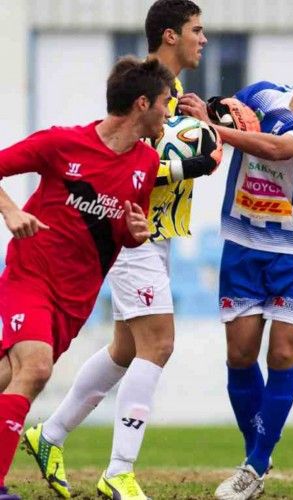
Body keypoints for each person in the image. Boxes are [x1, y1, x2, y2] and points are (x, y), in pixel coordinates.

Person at [22, 2, 220, 500]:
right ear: (170, 35)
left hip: (157, 233)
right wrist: (188, 165)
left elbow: (175, 153)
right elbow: (117, 162)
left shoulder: (178, 99)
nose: (205, 39)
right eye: (198, 30)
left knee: (126, 349)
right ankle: (119, 470)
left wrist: (211, 127)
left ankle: (48, 436)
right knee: (160, 345)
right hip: (131, 232)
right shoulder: (145, 90)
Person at [179, 37, 293, 499]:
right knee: (240, 356)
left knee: (281, 355)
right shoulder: (261, 94)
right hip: (242, 243)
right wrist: (203, 113)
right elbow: (224, 117)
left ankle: (255, 465)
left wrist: (216, 128)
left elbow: (275, 148)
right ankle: (255, 454)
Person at [0, 55, 175, 500]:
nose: (169, 111)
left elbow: (119, 237)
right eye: (165, 101)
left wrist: (136, 236)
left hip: (75, 299)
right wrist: (11, 209)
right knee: (36, 368)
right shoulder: (61, 144)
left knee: (11, 373)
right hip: (30, 276)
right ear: (142, 104)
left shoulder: (144, 165)